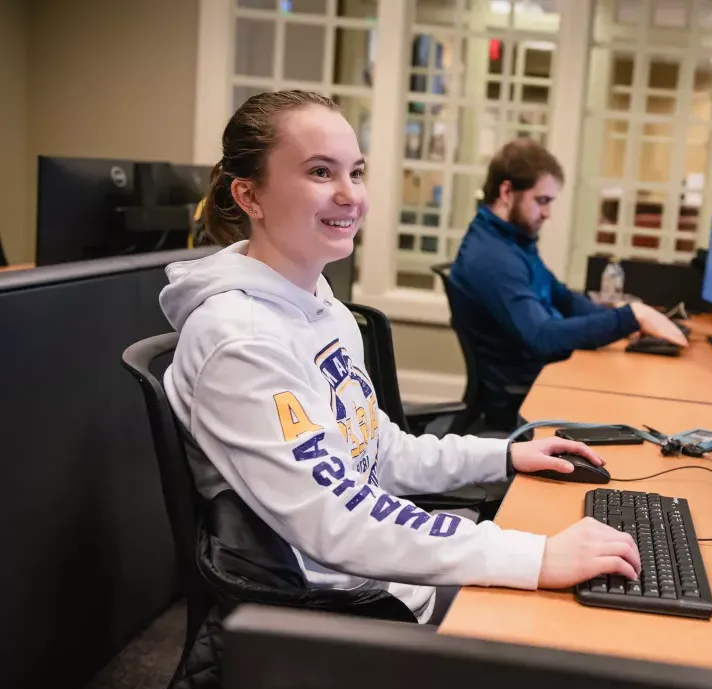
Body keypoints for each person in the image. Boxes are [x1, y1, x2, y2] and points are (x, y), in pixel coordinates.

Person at [159, 90, 639, 625]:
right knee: (587, 627)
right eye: (321, 172)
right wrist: (534, 555)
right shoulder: (240, 340)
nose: (351, 196)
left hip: (378, 569)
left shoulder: (324, 309)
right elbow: (338, 521)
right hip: (338, 605)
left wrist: (502, 456)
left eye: (356, 173)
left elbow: (378, 453)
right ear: (249, 195)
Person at [449, 139, 687, 430]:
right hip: (523, 400)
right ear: (507, 191)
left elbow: (563, 298)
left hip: (544, 379)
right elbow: (543, 337)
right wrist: (629, 317)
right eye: (541, 201)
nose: (548, 213)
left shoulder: (511, 241)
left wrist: (624, 322)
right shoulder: (493, 258)